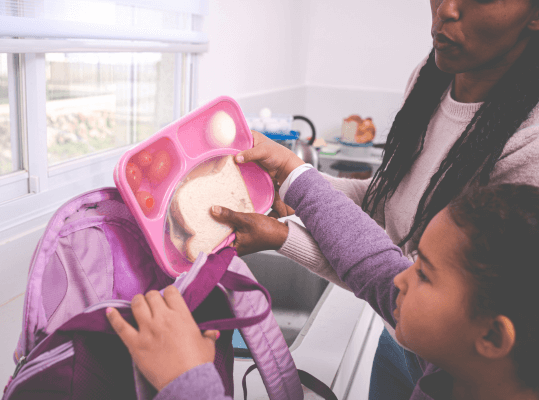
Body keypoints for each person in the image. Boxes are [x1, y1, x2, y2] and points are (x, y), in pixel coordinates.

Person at [218, 0, 539, 397]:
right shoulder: (433, 75)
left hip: (433, 341)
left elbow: (385, 277)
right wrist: (290, 192)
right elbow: (387, 207)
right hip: (404, 335)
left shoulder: (531, 146)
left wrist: (295, 187)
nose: (447, 10)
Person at [106, 143, 539, 399]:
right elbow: (374, 263)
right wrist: (294, 174)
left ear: (492, 337)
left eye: (423, 273)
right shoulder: (463, 364)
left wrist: (189, 383)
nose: (401, 275)